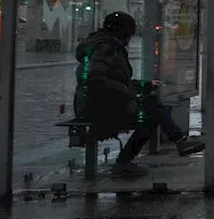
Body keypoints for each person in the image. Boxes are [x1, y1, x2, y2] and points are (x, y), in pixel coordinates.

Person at [73, 12, 205, 178]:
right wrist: (132, 94)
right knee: (151, 109)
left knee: (152, 108)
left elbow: (115, 81)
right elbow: (96, 81)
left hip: (95, 105)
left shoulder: (103, 46)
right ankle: (174, 143)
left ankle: (176, 142)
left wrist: (145, 85)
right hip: (97, 108)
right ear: (123, 33)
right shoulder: (106, 49)